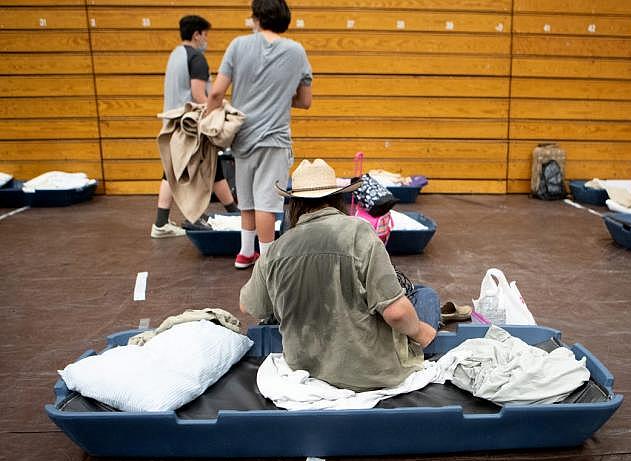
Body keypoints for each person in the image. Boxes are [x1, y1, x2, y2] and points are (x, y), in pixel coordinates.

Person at [239, 159, 440, 392]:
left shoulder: (276, 249)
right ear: (337, 199)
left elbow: (249, 307)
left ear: (293, 205)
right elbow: (395, 313)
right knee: (425, 295)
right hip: (371, 372)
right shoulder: (359, 232)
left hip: (305, 366)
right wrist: (420, 332)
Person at [204, 0, 312, 268]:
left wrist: (205, 116)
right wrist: (277, 98)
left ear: (256, 18)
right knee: (267, 201)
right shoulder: (296, 51)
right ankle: (267, 262)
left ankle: (244, 253)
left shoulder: (238, 45)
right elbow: (305, 101)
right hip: (274, 139)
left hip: (242, 137)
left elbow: (217, 92)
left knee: (248, 198)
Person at [151, 15, 239, 239]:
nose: (206, 39)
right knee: (209, 166)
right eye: (205, 35)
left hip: (172, 124)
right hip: (188, 126)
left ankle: (161, 222)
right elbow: (200, 96)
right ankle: (234, 213)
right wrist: (221, 110)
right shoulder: (197, 59)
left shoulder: (175, 55)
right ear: (196, 34)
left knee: (177, 171)